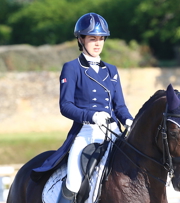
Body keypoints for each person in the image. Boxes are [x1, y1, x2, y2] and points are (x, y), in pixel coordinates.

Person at [55, 12, 134, 203]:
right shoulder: (72, 68)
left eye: (101, 39)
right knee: (74, 181)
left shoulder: (111, 70)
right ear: (81, 40)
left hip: (114, 131)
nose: (98, 43)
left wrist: (129, 120)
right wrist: (92, 116)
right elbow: (65, 106)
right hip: (87, 131)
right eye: (92, 39)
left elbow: (120, 105)